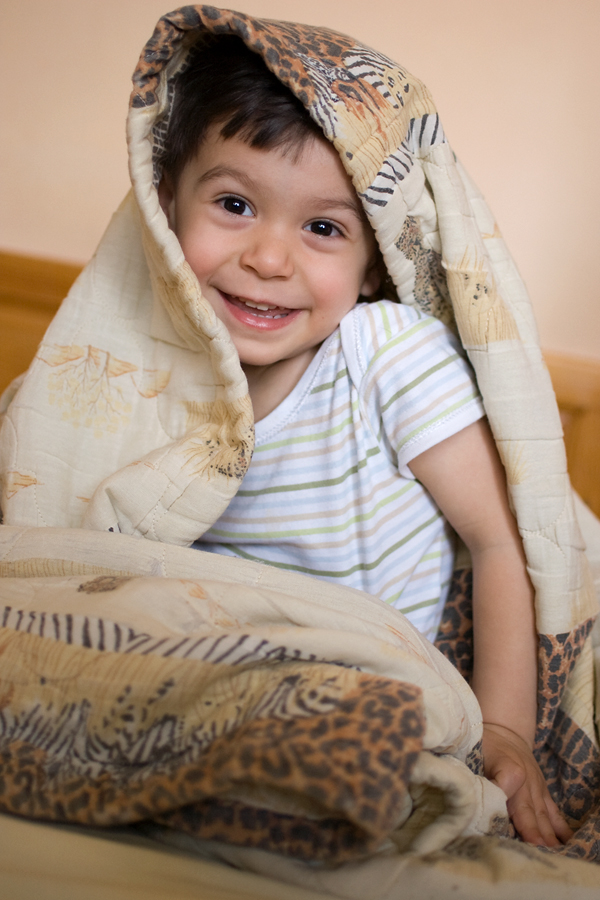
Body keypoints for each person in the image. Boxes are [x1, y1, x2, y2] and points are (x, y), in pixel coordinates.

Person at [156, 34, 571, 849]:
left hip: (379, 687)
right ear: (166, 207)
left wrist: (503, 730)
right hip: (221, 682)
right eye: (234, 205)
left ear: (373, 264)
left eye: (322, 227)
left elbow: (498, 539)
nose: (267, 258)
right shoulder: (133, 375)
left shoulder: (383, 354)